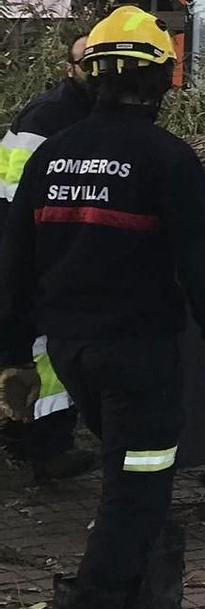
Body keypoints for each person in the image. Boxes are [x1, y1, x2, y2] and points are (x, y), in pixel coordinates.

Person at [0, 7, 205, 609]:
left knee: (133, 484)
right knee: (131, 502)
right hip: (141, 361)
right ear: (163, 79)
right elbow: (203, 266)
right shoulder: (168, 161)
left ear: (95, 74)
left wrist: (12, 357)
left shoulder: (54, 157)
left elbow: (13, 268)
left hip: (74, 360)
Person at [0, 28, 97, 482]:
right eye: (85, 63)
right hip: (35, 248)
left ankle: (27, 438)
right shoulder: (48, 117)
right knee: (43, 350)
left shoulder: (95, 111)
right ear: (68, 68)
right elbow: (15, 194)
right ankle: (48, 449)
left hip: (63, 249)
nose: (94, 71)